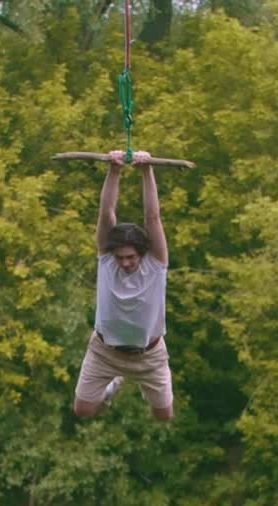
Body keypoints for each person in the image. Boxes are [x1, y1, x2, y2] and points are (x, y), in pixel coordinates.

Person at [73, 149, 173, 421]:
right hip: (105, 351)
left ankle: (138, 382)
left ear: (142, 254)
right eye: (121, 258)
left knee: (163, 415)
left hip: (149, 355)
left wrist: (146, 170)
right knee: (82, 411)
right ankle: (112, 384)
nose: (125, 263)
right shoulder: (107, 260)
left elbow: (152, 217)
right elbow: (107, 214)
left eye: (131, 258)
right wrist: (114, 170)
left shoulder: (156, 263)